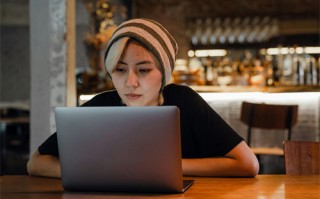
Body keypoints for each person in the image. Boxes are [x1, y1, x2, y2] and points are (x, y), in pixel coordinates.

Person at [27, 18, 259, 178]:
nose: (130, 82)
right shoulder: (99, 107)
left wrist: (158, 167)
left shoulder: (185, 102)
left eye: (144, 70)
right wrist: (98, 171)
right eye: (120, 70)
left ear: (164, 74)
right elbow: (36, 163)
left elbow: (248, 164)